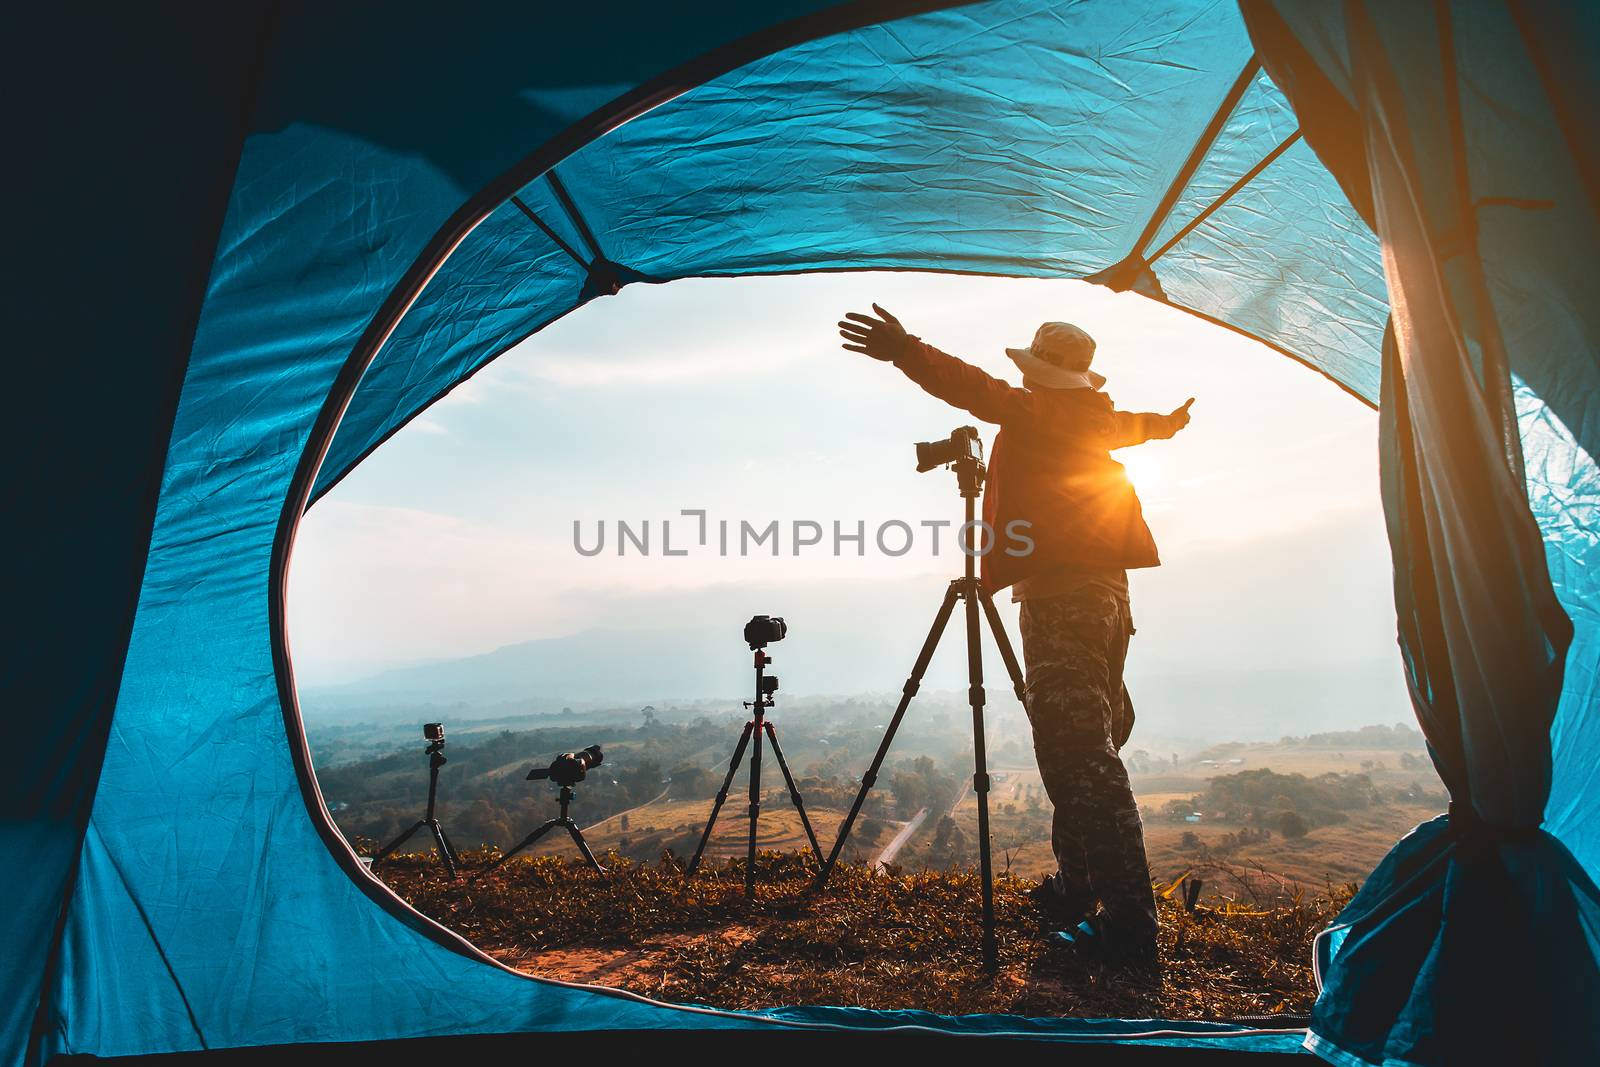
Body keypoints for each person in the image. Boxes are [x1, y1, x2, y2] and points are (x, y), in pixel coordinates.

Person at [838, 305, 1191, 972]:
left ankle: (1127, 927)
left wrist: (905, 349)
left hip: (1061, 596)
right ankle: (1078, 889)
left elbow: (974, 387)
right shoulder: (1091, 416)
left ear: (1043, 376)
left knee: (1080, 755)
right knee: (1080, 745)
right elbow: (1135, 427)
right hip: (1108, 595)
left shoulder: (1036, 411)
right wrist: (1168, 424)